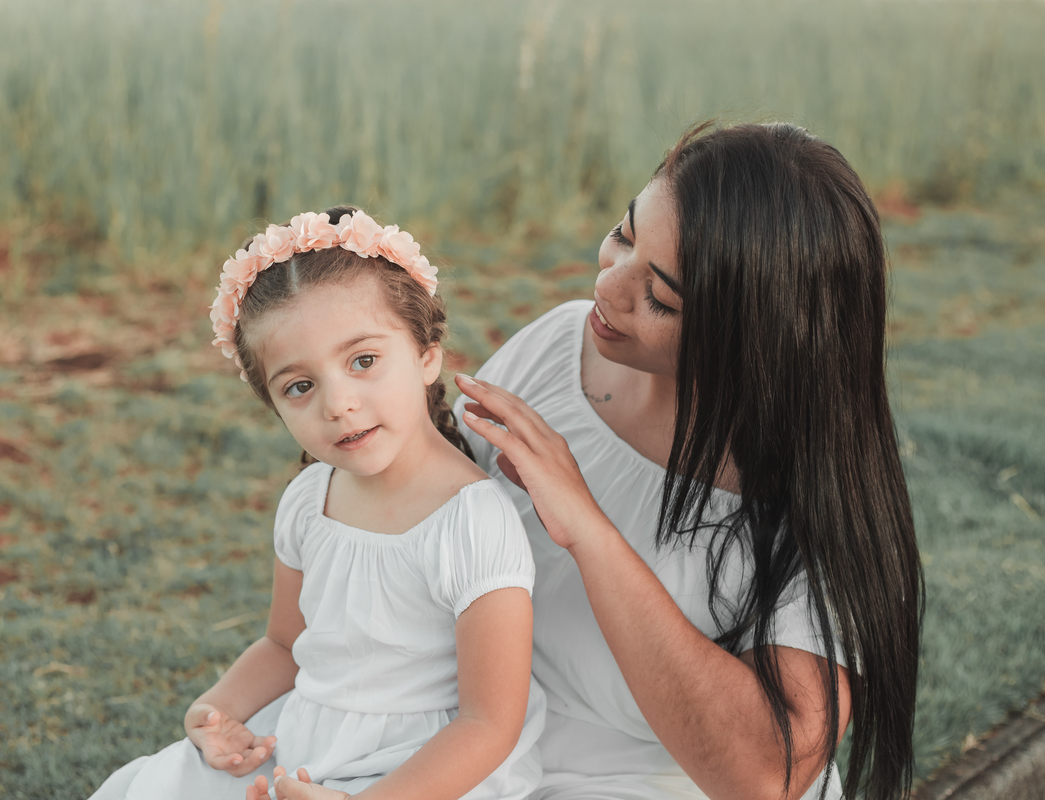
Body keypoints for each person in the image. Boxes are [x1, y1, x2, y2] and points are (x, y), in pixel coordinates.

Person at [445, 122, 925, 800]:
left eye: (661, 298)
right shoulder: (558, 344)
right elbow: (428, 524)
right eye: (624, 234)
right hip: (477, 743)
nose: (607, 290)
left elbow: (764, 775)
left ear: (755, 340)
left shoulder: (810, 503)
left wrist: (588, 528)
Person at [88, 207, 545, 800]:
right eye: (299, 386)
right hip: (308, 740)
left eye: (363, 361)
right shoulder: (309, 500)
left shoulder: (471, 521)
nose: (338, 404)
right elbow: (284, 644)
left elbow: (490, 724)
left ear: (428, 353)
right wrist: (218, 708)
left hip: (428, 769)